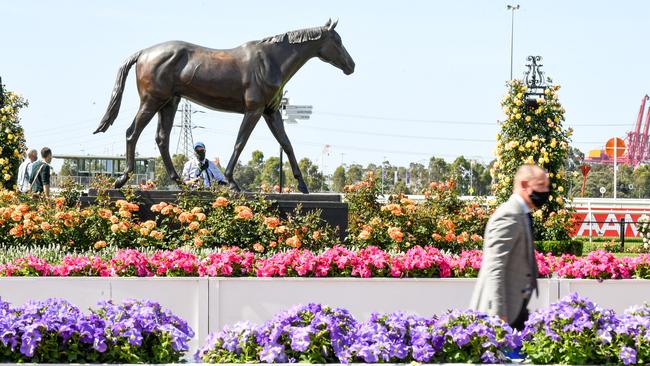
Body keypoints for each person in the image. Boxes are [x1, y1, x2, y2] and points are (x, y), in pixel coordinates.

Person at [469, 164, 550, 330]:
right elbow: (494, 267)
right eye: (541, 185)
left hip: (516, 307)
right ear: (524, 184)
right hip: (502, 315)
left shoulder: (521, 214)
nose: (546, 191)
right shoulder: (508, 215)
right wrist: (499, 315)